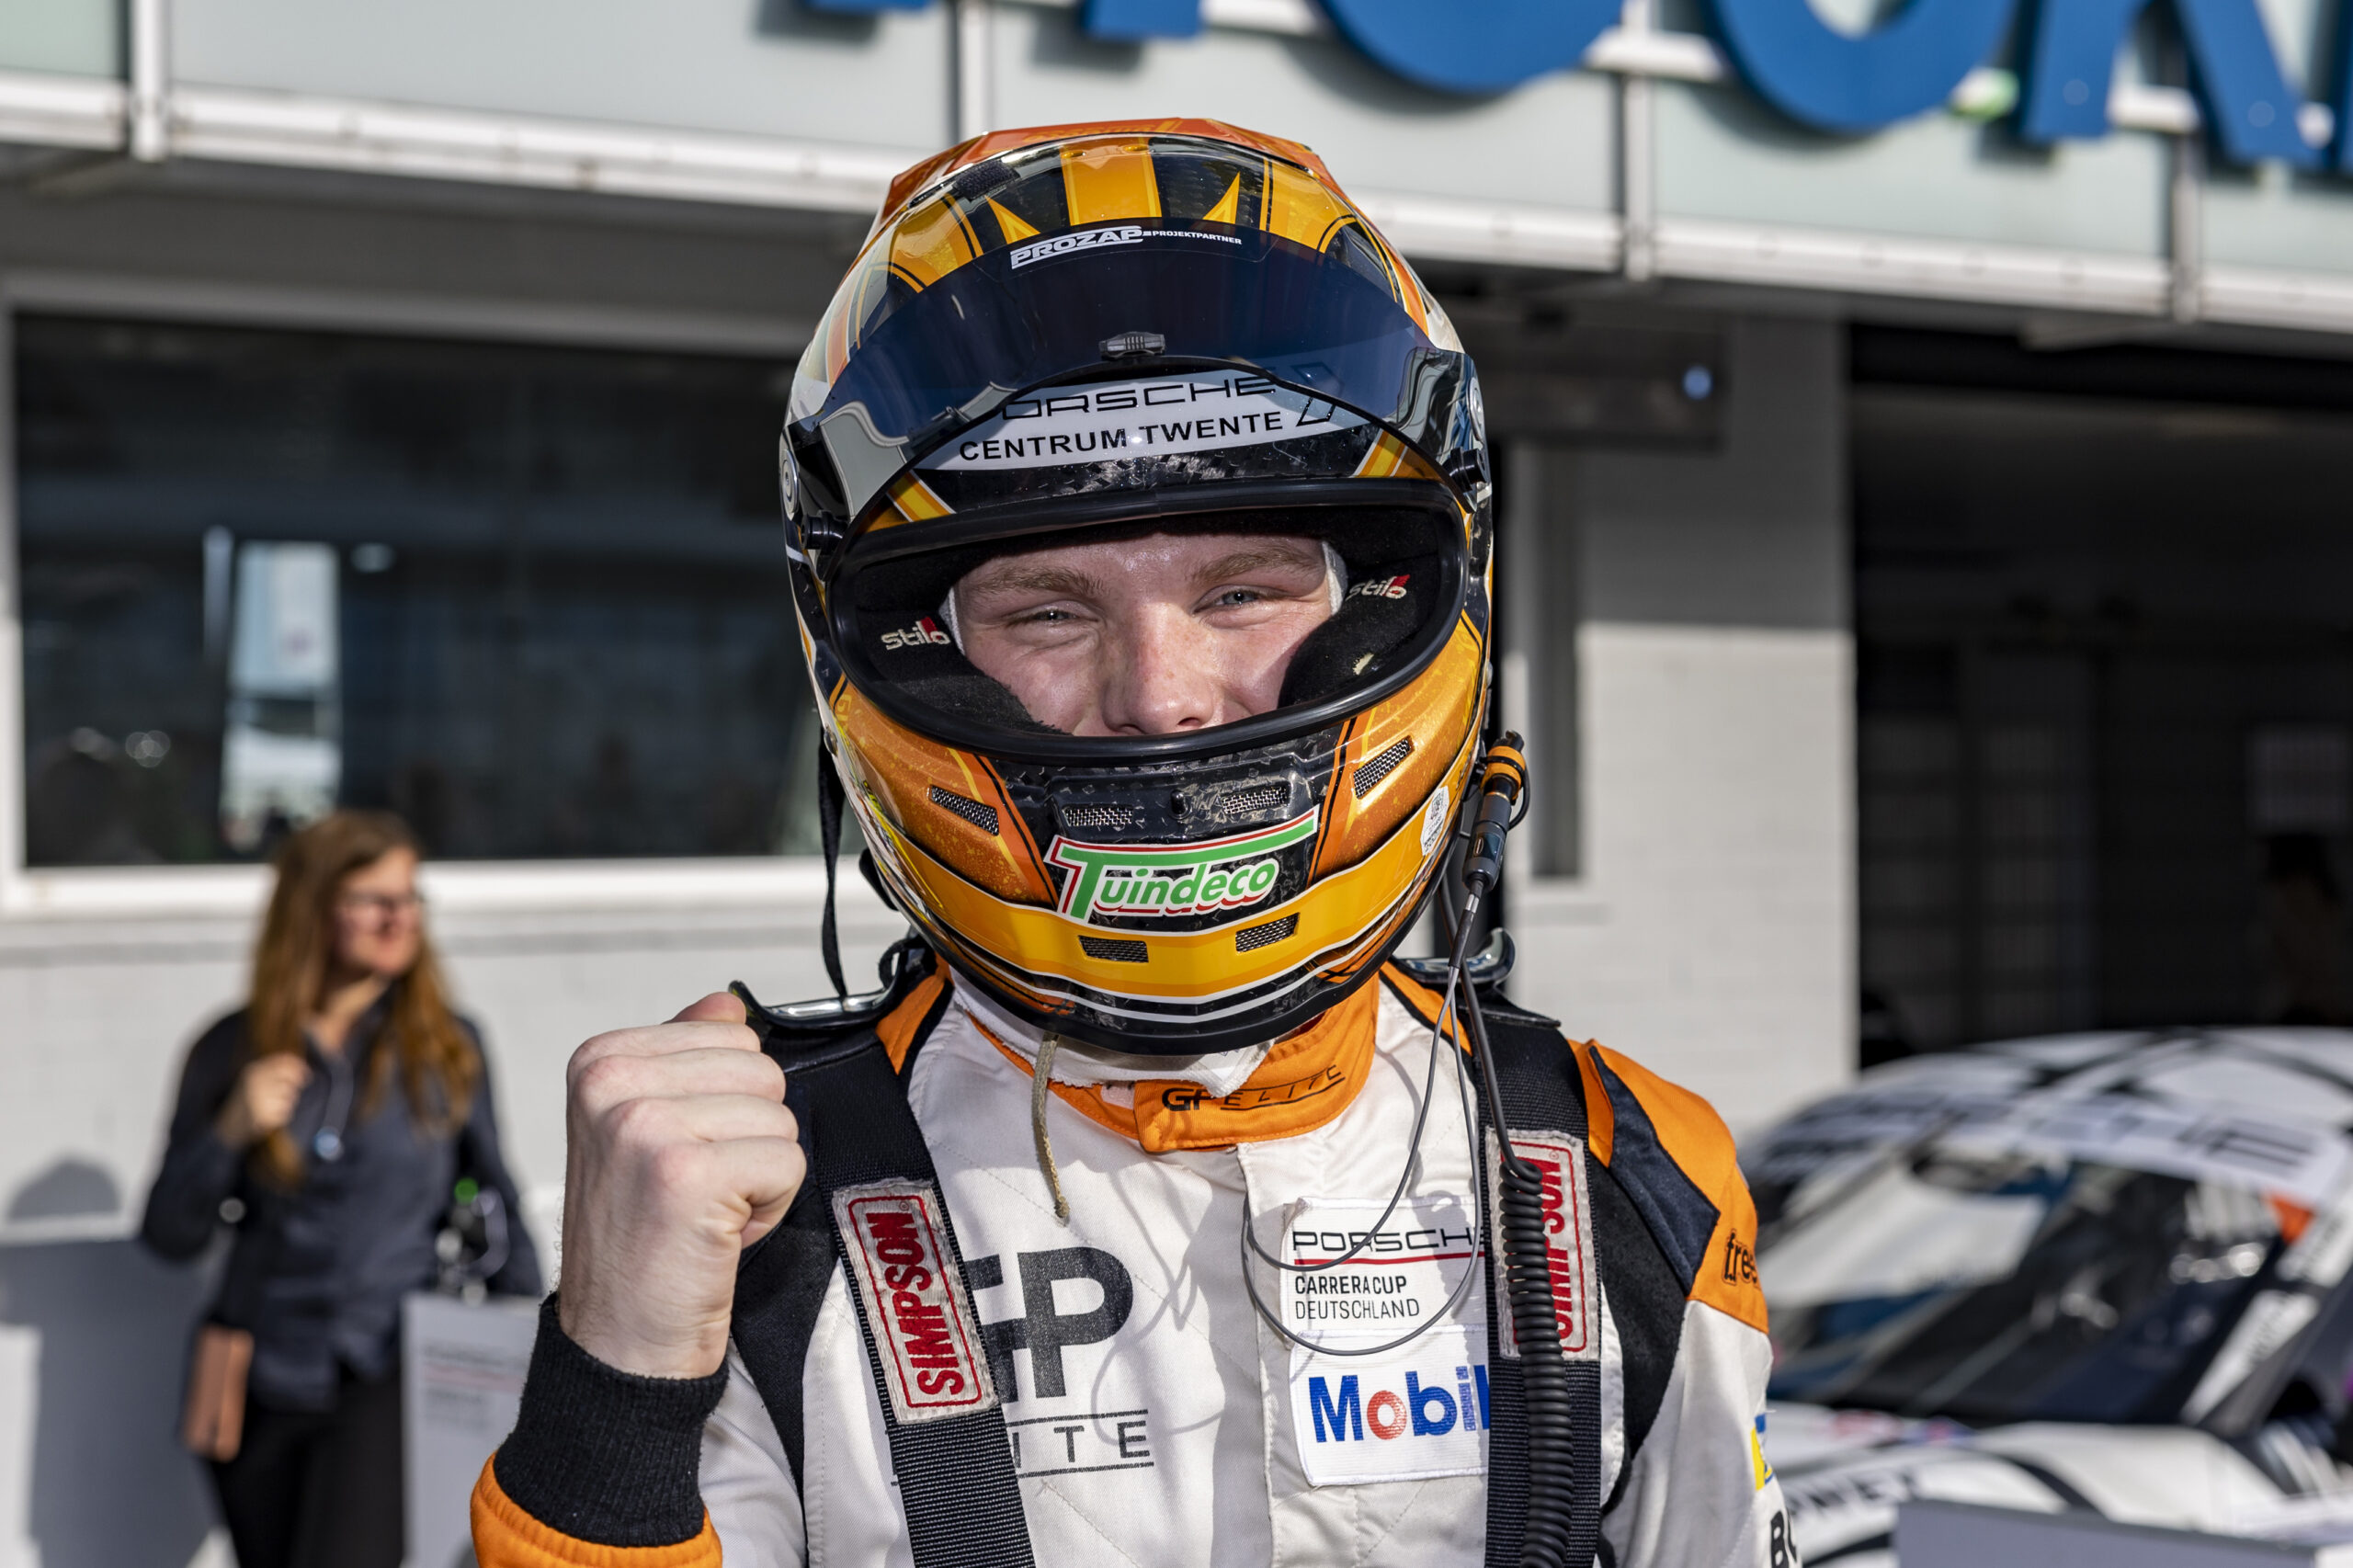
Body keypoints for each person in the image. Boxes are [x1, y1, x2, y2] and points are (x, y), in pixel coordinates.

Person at [472, 120, 1791, 1568]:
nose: (1161, 698)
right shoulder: (751, 1209)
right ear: (907, 653)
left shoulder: (1618, 1164)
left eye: (1243, 592)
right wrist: (613, 1387)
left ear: (1399, 600)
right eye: (1048, 611)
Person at [143, 809, 542, 1568]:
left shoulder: (445, 1047)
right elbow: (169, 1234)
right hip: (255, 1375)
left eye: (410, 898)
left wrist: (536, 1353)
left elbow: (495, 1197)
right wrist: (229, 1129)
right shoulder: (231, 1047)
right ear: (312, 909)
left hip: (384, 1367)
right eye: (373, 900)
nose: (400, 918)